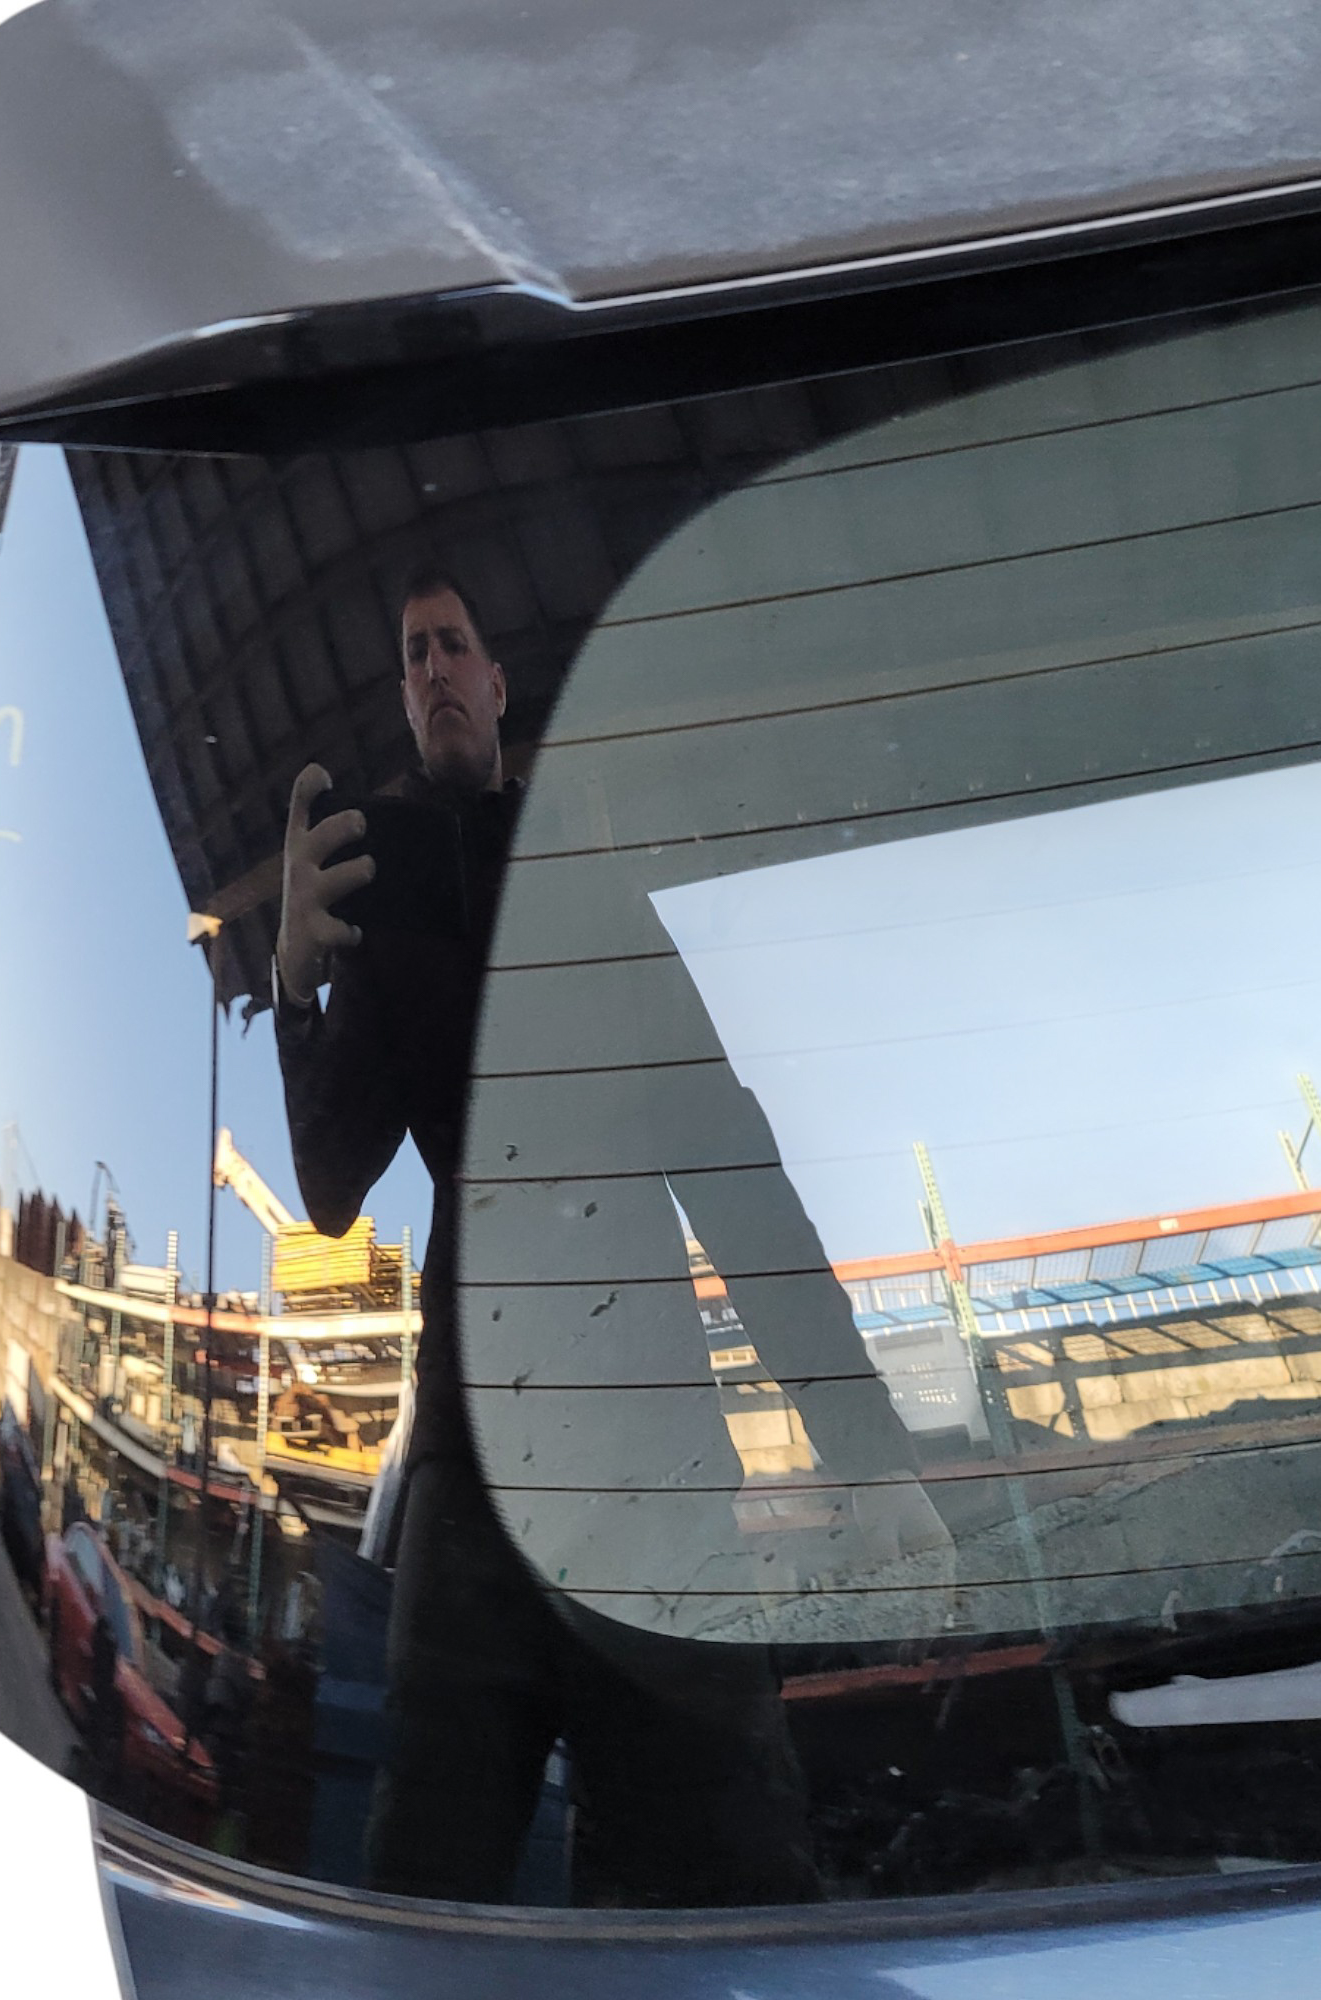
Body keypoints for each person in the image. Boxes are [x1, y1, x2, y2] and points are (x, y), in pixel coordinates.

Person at [274, 570, 825, 1906]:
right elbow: (333, 1187)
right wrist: (295, 984)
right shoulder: (386, 897)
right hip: (479, 1461)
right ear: (407, 699)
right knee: (428, 1891)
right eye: (414, 654)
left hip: (651, 1457)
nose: (434, 667)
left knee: (735, 1887)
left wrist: (862, 1431)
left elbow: (726, 1153)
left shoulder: (585, 880)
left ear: (497, 682)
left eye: (453, 645)